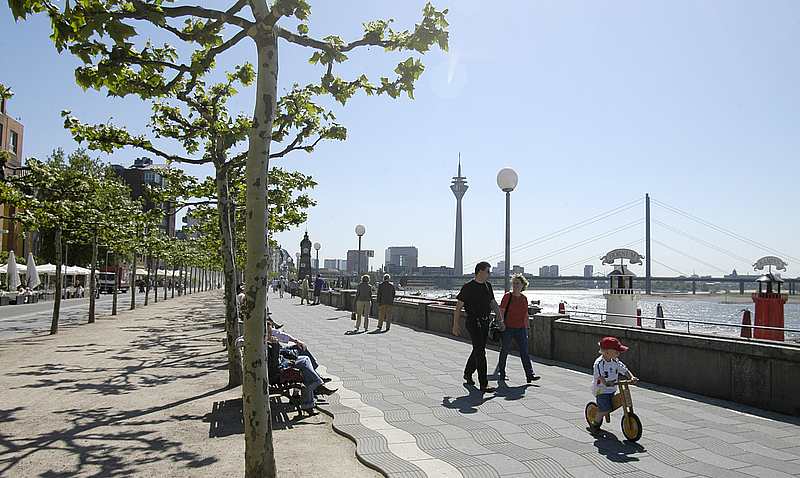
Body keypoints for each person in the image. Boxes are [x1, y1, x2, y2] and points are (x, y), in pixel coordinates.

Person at [452, 262, 504, 394]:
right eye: (488, 271)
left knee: (478, 349)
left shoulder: (488, 286)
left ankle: (468, 373)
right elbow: (458, 307)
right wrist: (455, 325)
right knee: (481, 352)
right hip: (473, 322)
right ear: (480, 271)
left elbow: (493, 303)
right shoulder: (468, 287)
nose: (489, 274)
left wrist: (500, 319)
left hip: (485, 322)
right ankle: (484, 384)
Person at [266, 320, 336, 413]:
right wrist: (275, 345)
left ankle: (317, 384)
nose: (272, 334)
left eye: (271, 332)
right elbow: (274, 364)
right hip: (277, 372)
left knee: (304, 357)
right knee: (305, 364)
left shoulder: (263, 341)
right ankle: (317, 385)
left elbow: (280, 336)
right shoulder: (265, 344)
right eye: (270, 333)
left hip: (279, 364)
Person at [495, 274, 540, 383]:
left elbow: (525, 314)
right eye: (514, 283)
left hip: (521, 329)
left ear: (523, 286)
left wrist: (527, 327)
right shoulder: (507, 296)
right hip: (508, 328)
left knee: (524, 352)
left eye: (517, 284)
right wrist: (501, 323)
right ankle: (502, 372)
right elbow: (501, 311)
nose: (515, 286)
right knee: (505, 350)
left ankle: (530, 374)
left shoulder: (524, 299)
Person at [589, 336, 638, 433]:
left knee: (614, 403)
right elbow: (600, 376)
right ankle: (594, 425)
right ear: (606, 352)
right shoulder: (599, 363)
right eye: (616, 351)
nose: (619, 353)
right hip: (601, 390)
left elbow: (624, 370)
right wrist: (606, 383)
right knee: (605, 410)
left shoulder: (615, 361)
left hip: (612, 388)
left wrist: (631, 377)